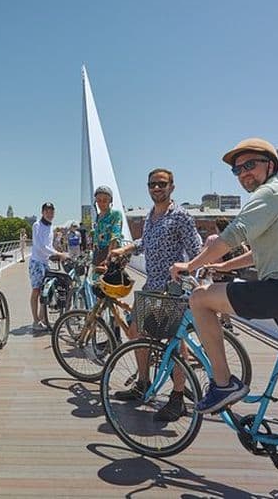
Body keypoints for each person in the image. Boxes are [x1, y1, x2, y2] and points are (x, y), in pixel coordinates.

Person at [170, 138, 278, 492]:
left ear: (270, 166)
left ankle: (223, 383)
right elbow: (254, 255)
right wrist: (220, 266)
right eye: (238, 169)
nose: (243, 173)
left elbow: (233, 234)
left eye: (250, 165)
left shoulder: (271, 194)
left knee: (201, 301)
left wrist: (192, 265)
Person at [109, 168, 202, 421]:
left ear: (172, 186)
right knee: (136, 331)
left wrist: (193, 277)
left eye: (162, 184)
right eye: (152, 184)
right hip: (152, 286)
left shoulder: (181, 216)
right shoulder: (150, 216)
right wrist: (125, 248)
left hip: (173, 289)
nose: (156, 188)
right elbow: (145, 243)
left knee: (175, 343)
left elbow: (196, 251)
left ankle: (178, 397)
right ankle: (142, 383)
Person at [29, 202, 67, 332]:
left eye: (52, 211)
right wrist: (57, 253)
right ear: (42, 212)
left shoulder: (51, 227)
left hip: (46, 262)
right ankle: (35, 321)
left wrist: (58, 252)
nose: (50, 214)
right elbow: (40, 246)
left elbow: (49, 246)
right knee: (36, 291)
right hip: (36, 262)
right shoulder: (37, 225)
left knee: (46, 291)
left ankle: (42, 318)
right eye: (47, 211)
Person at [91, 185, 123, 271]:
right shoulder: (98, 216)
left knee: (109, 280)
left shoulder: (115, 214)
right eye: (99, 200)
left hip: (110, 252)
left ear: (110, 201)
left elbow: (115, 236)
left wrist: (108, 258)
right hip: (98, 253)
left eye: (105, 200)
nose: (101, 203)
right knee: (94, 281)